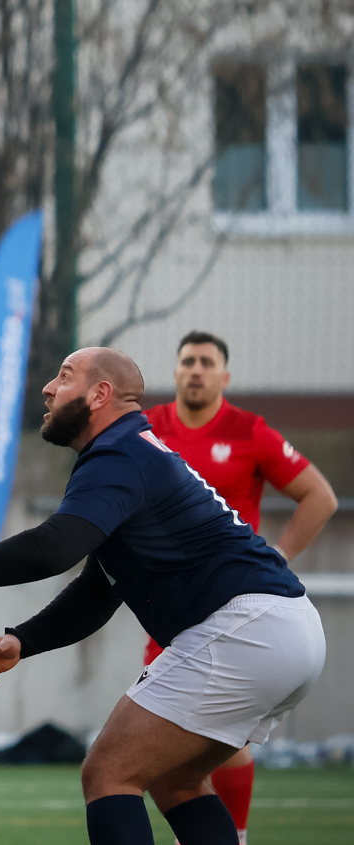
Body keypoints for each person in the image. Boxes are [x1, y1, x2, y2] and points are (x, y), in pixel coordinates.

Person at [0, 346, 326, 845]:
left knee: (107, 774)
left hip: (246, 631)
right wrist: (23, 640)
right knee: (175, 782)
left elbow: (51, 550)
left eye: (64, 376)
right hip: (290, 630)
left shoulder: (119, 454)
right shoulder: (133, 451)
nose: (48, 388)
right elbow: (98, 590)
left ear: (100, 395)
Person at [140, 331, 338, 844]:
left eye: (207, 362)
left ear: (224, 377)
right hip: (167, 606)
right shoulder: (149, 429)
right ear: (176, 372)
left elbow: (319, 496)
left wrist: (279, 554)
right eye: (188, 361)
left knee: (224, 739)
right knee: (157, 737)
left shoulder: (249, 431)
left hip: (236, 608)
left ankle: (236, 835)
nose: (197, 370)